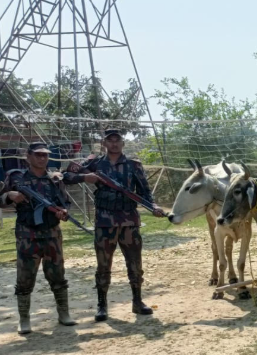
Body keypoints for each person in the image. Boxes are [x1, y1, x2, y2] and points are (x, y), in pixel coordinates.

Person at [64, 129, 166, 321]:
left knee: (135, 264)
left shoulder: (133, 165)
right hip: (105, 222)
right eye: (110, 141)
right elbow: (66, 176)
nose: (114, 144)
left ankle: (137, 301)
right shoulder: (93, 164)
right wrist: (85, 178)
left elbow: (145, 192)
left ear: (122, 143)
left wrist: (153, 206)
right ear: (104, 143)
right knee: (103, 266)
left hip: (129, 222)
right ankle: (102, 305)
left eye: (117, 140)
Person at [3, 143, 80, 334]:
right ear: (28, 157)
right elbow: (0, 197)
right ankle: (24, 320)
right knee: (25, 278)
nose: (42, 158)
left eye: (45, 155)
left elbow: (65, 201)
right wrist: (10, 195)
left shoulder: (54, 178)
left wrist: (63, 211)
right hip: (27, 234)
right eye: (38, 155)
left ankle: (64, 314)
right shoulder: (15, 176)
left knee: (57, 275)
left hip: (52, 233)